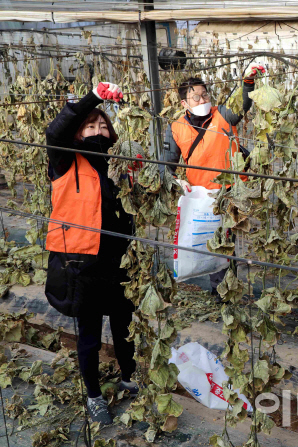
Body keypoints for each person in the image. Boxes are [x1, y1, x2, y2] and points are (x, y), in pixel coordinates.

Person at [45, 82, 138, 426]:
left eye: (103, 125)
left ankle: (128, 376)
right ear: (78, 132)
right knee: (88, 334)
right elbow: (56, 132)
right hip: (81, 261)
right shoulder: (65, 160)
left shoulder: (119, 163)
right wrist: (93, 99)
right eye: (90, 126)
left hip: (118, 260)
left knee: (123, 322)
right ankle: (94, 394)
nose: (98, 130)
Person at [162, 64, 266, 293]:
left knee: (224, 244)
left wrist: (248, 82)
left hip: (228, 195)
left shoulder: (223, 114)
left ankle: (223, 291)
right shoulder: (176, 128)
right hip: (199, 198)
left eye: (205, 94)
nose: (202, 100)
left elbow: (243, 105)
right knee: (203, 241)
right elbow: (167, 165)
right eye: (195, 97)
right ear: (184, 103)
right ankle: (216, 284)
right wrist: (177, 182)